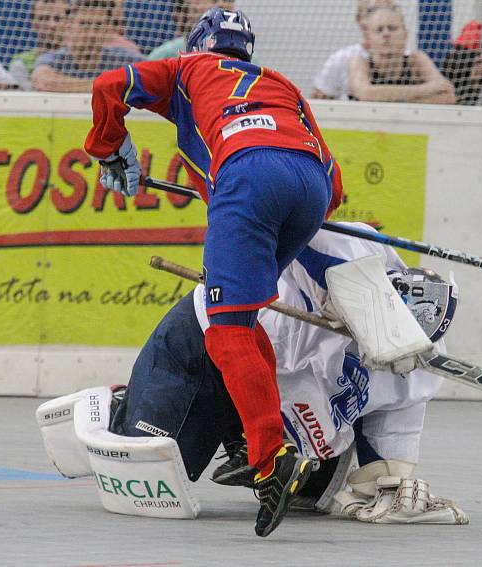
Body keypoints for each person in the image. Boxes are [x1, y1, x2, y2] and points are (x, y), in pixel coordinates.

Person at [83, 8, 343, 537]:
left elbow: (111, 83)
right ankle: (266, 436)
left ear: (199, 45)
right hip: (310, 185)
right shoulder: (280, 82)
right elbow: (334, 187)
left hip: (247, 174)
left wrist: (107, 148)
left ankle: (270, 457)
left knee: (225, 328)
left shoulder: (185, 68)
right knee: (242, 320)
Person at [38, 224, 468, 526]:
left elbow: (387, 445)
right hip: (214, 346)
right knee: (153, 481)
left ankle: (245, 439)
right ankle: (117, 406)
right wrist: (332, 294)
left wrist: (390, 487)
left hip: (283, 395)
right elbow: (306, 227)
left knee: (311, 496)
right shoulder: (349, 261)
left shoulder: (418, 362)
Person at [347, 5, 454, 104]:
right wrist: (427, 89)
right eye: (379, 30)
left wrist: (390, 101)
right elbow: (366, 94)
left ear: (405, 34)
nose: (386, 34)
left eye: (392, 28)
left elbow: (448, 95)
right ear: (368, 39)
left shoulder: (416, 60)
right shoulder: (360, 62)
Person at [32, 0, 145, 93]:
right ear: (69, 25)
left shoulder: (127, 60)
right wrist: (111, 86)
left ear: (108, 29)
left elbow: (153, 77)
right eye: (84, 24)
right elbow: (44, 81)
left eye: (98, 25)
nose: (91, 34)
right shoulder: (52, 60)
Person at [311, 0, 396, 101]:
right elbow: (317, 102)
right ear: (359, 19)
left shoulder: (411, 60)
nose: (381, 17)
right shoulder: (342, 58)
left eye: (387, 10)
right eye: (372, 11)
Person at [8, 0, 68, 91]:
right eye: (44, 18)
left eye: (57, 18)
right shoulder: (21, 64)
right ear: (34, 24)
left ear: (69, 22)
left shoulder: (79, 60)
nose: (51, 25)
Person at [148, 0, 235, 61]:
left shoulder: (239, 51)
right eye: (214, 1)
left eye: (227, 0)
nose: (221, 4)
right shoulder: (167, 53)